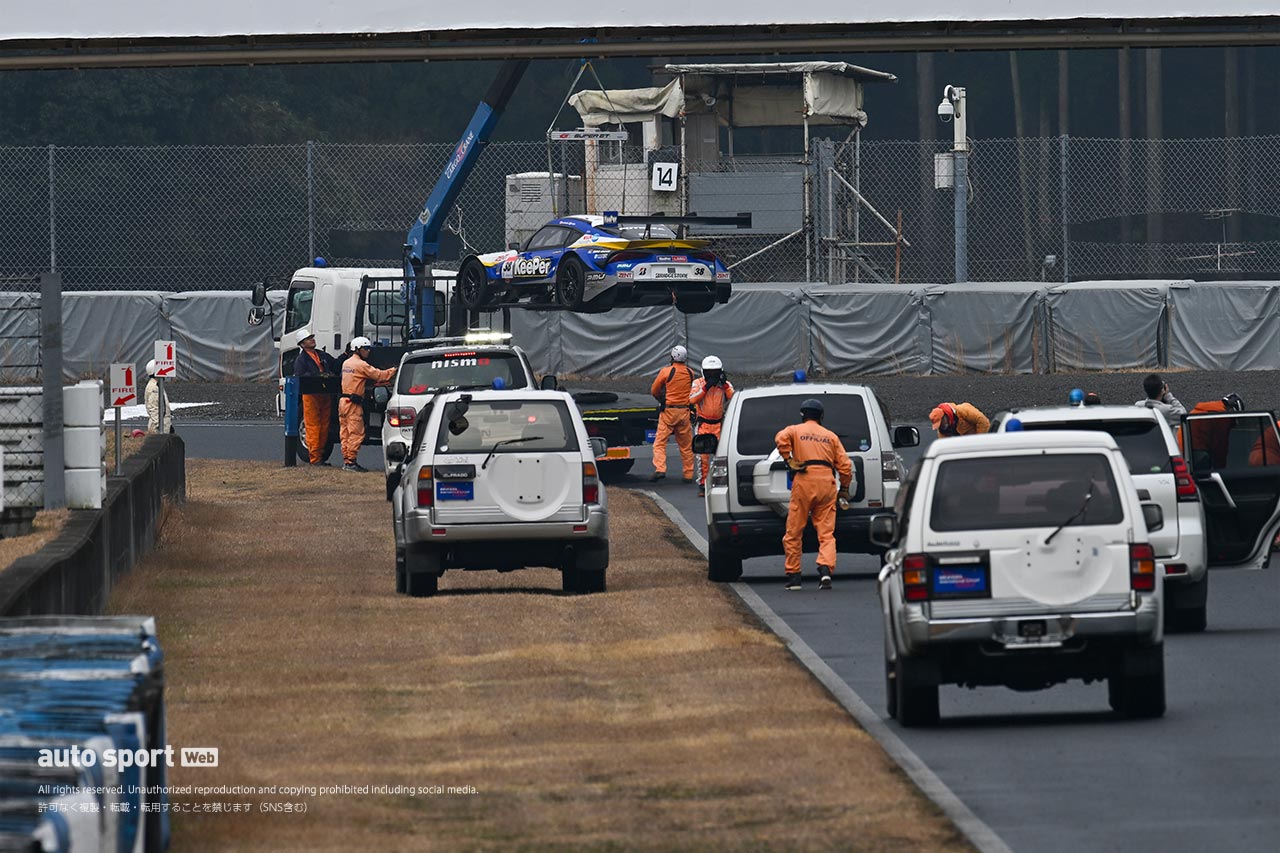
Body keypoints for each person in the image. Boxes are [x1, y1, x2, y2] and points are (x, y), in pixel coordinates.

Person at [775, 398, 854, 591]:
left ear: (803, 415)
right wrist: (844, 488)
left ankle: (794, 577)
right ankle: (825, 570)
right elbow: (845, 466)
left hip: (804, 481)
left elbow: (780, 439)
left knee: (794, 531)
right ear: (821, 416)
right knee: (826, 533)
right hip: (826, 482)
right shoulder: (830, 436)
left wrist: (789, 459)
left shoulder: (794, 430)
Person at [339, 336, 396, 472]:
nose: (368, 351)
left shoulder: (346, 363)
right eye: (366, 348)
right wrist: (394, 370)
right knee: (356, 433)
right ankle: (351, 462)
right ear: (357, 349)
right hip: (353, 403)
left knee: (345, 432)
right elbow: (379, 376)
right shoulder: (361, 365)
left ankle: (347, 460)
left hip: (343, 402)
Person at [649, 345, 696, 483]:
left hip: (669, 412)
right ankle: (688, 474)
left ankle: (660, 469)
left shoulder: (666, 372)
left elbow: (654, 390)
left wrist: (661, 399)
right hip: (684, 412)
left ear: (672, 357)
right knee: (686, 445)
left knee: (659, 443)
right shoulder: (690, 372)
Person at [690, 355, 735, 496]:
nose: (712, 375)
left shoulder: (725, 384)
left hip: (719, 424)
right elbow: (691, 399)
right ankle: (703, 484)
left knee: (721, 456)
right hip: (703, 424)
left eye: (715, 372)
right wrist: (706, 386)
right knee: (702, 457)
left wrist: (725, 385)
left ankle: (720, 482)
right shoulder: (698, 383)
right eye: (710, 372)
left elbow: (734, 398)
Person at [292, 327, 338, 466]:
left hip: (324, 394)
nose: (312, 340)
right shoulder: (301, 360)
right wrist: (317, 376)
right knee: (313, 425)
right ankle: (315, 458)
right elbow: (301, 375)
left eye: (312, 337)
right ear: (302, 344)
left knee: (324, 425)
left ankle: (319, 456)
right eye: (308, 339)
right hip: (311, 395)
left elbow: (334, 364)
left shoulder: (321, 355)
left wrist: (346, 355)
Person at [1183, 393, 1243, 468]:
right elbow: (1220, 447)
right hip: (1195, 451)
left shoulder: (1205, 409)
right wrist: (1222, 471)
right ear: (1233, 410)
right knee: (1204, 472)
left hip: (1181, 448)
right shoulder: (1222, 417)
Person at [144, 359, 173, 434]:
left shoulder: (157, 385)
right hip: (158, 426)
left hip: (163, 423)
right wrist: (159, 425)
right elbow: (153, 407)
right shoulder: (154, 387)